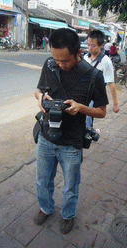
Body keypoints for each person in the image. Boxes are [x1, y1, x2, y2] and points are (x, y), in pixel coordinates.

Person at [34, 28, 108, 234]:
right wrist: (40, 98)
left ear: (77, 52)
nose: (59, 64)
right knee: (42, 180)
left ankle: (67, 215)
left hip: (72, 143)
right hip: (46, 136)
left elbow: (102, 112)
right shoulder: (49, 64)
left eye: (64, 60)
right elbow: (38, 90)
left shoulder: (94, 75)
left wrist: (81, 108)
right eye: (56, 59)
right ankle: (45, 207)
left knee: (70, 185)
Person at [84, 30, 119, 132]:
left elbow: (111, 83)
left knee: (88, 116)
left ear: (101, 45)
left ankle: (88, 132)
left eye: (93, 45)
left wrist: (115, 104)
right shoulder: (86, 57)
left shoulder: (106, 61)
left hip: (95, 96)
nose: (90, 48)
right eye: (88, 45)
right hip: (84, 92)